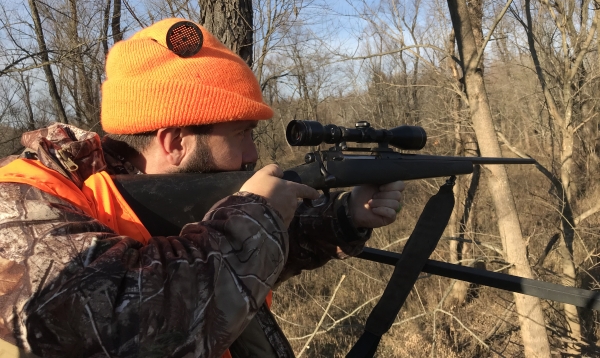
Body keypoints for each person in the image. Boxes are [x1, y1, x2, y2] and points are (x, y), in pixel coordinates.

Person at [0, 19, 404, 358]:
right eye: (242, 134)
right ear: (175, 143)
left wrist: (343, 217)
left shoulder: (138, 188)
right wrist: (255, 217)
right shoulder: (20, 203)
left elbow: (205, 242)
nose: (253, 153)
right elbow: (134, 319)